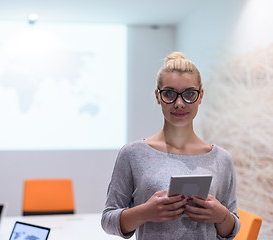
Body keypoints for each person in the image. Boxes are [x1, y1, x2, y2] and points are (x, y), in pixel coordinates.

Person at [101, 52, 240, 239]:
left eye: (190, 93)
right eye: (169, 94)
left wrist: (221, 216)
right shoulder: (132, 154)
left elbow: (230, 230)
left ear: (200, 96)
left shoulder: (221, 159)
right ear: (158, 97)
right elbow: (108, 220)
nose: (180, 103)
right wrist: (143, 213)